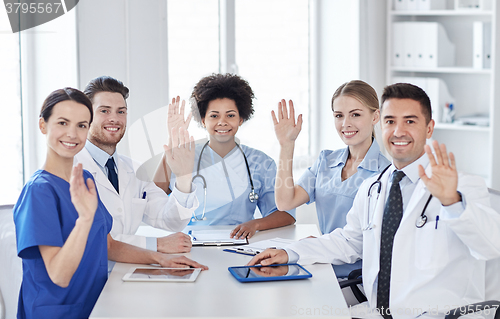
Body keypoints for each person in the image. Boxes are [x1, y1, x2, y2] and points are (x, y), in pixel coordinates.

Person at [249, 83, 500, 318]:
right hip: (377, 312)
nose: (398, 131)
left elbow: (490, 245)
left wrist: (452, 202)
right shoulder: (373, 187)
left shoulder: (463, 186)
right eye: (391, 121)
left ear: (429, 128)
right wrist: (288, 252)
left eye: (410, 121)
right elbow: (347, 242)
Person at [14, 88, 207, 319]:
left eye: (81, 125)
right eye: (63, 123)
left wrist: (162, 260)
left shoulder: (84, 179)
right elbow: (59, 275)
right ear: (43, 125)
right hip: (56, 311)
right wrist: (85, 219)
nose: (73, 134)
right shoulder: (39, 191)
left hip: (95, 303)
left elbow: (108, 245)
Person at [272, 80, 390, 277]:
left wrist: (316, 245)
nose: (346, 124)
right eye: (339, 115)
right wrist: (286, 145)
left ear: (375, 116)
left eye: (356, 114)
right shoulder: (326, 160)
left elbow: (370, 243)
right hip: (318, 261)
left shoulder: (385, 174)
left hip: (354, 277)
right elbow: (285, 202)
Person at [157, 73, 296, 239]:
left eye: (230, 115)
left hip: (241, 244)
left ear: (241, 119)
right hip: (190, 244)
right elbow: (154, 195)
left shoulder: (261, 162)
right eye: (214, 116)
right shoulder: (185, 154)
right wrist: (172, 145)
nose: (222, 122)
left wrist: (255, 224)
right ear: (202, 120)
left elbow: (286, 214)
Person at [75, 76, 196, 254]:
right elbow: (89, 238)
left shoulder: (135, 170)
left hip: (127, 270)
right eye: (104, 111)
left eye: (121, 111)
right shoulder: (71, 169)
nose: (114, 119)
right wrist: (156, 244)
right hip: (88, 275)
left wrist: (184, 177)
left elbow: (171, 221)